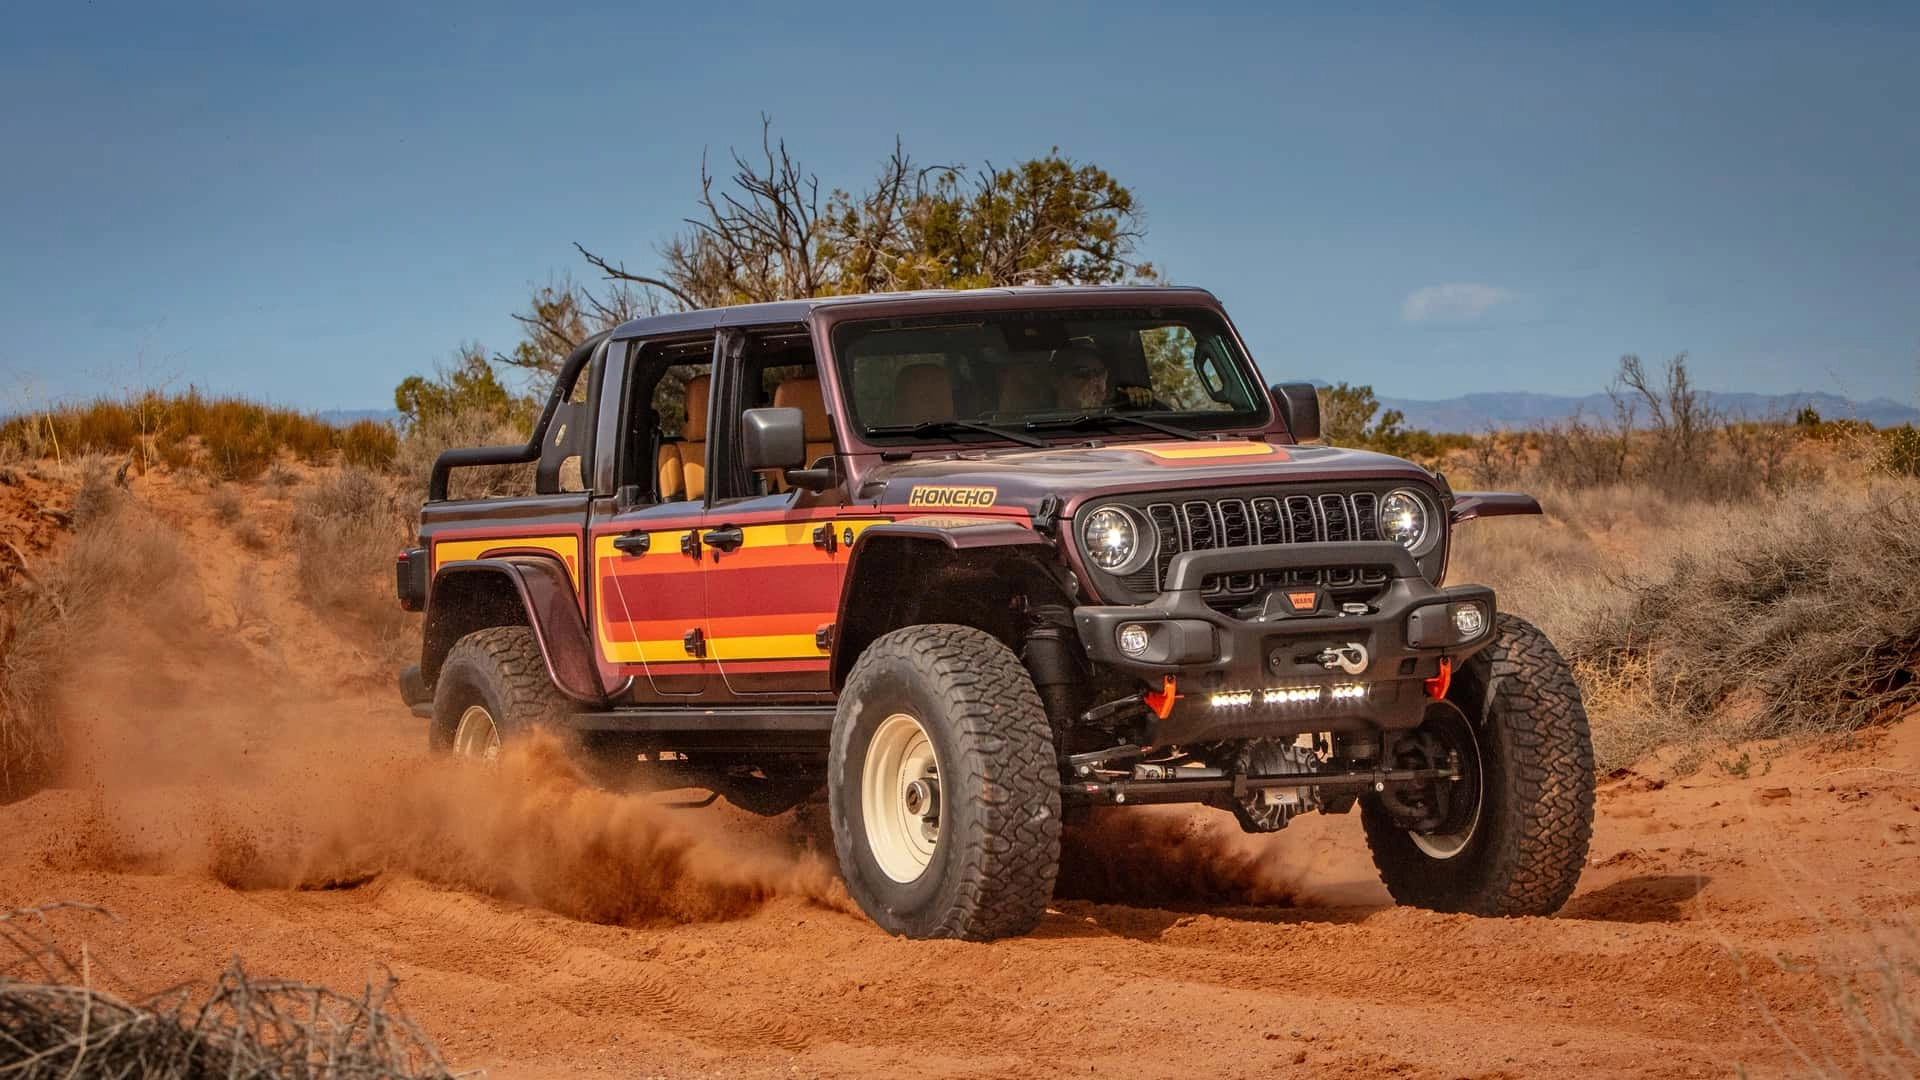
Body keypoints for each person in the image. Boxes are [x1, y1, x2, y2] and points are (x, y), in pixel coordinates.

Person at [1049, 344, 1153, 410]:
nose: (1093, 380)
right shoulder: (1042, 426)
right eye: (1082, 373)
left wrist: (1140, 400)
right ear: (1057, 380)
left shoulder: (1120, 418)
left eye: (1099, 373)